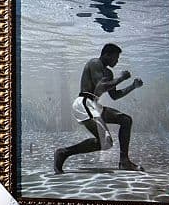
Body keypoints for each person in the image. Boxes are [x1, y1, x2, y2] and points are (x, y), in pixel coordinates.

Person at [55, 43, 144, 173]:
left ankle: (124, 161)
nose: (117, 61)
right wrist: (121, 78)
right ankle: (64, 152)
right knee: (106, 142)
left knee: (125, 120)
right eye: (115, 57)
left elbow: (114, 95)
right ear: (106, 55)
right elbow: (100, 87)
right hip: (84, 103)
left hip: (94, 105)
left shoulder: (108, 72)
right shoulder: (94, 63)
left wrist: (132, 86)